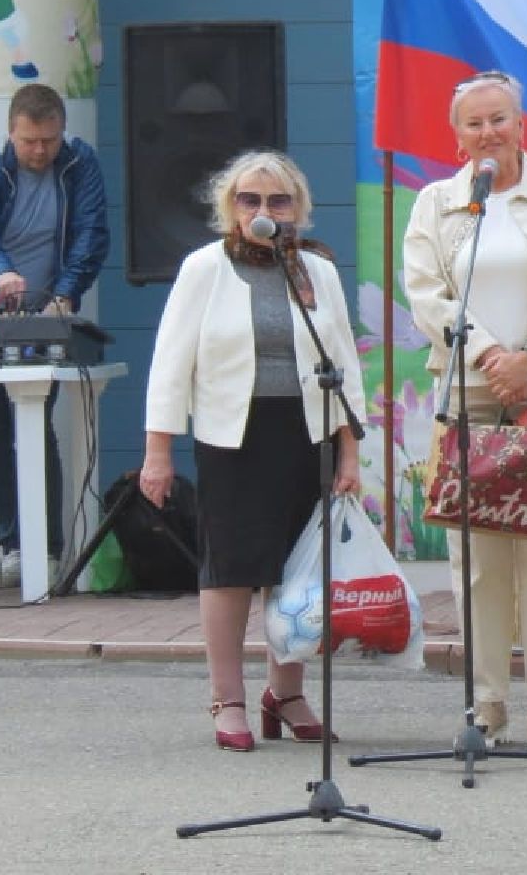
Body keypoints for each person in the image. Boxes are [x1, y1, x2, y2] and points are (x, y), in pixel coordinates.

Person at [402, 70, 527, 752]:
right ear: (455, 136)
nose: (487, 133)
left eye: (498, 120)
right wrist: (492, 355)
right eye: (473, 123)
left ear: (521, 125)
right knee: (478, 560)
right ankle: (489, 700)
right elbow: (427, 296)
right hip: (469, 388)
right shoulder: (437, 203)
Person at [139, 149, 364, 752]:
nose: (263, 211)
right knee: (232, 569)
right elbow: (169, 364)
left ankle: (285, 693)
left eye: (277, 201)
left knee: (298, 575)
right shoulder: (203, 269)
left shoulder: (316, 271)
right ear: (229, 209)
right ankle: (228, 697)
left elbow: (342, 360)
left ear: (299, 210)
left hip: (306, 430)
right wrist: (157, 451)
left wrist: (350, 452)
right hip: (232, 435)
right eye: (249, 200)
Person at [0, 83, 108, 590]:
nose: (39, 151)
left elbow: (90, 234)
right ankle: (16, 547)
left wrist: (64, 294)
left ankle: (49, 552)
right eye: (29, 141)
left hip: (46, 310)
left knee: (35, 427)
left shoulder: (82, 167)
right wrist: (3, 270)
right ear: (10, 134)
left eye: (49, 141)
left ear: (63, 133)